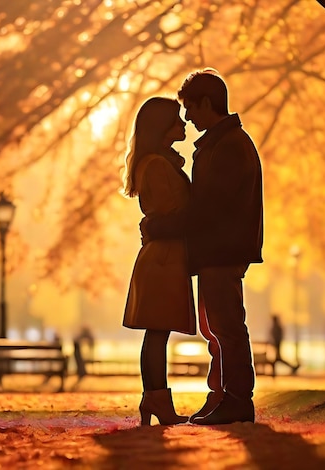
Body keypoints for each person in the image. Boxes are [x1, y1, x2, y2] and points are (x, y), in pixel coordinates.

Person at [142, 69, 263, 424]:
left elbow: (207, 209)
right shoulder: (219, 143)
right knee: (216, 329)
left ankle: (238, 398)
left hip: (223, 251)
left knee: (227, 327)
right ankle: (222, 394)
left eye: (191, 108)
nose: (189, 117)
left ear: (207, 104)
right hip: (216, 250)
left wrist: (158, 226)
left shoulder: (227, 146)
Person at [123, 96, 196, 426]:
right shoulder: (156, 165)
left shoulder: (160, 162)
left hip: (165, 257)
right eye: (177, 119)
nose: (183, 124)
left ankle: (153, 400)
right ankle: (156, 399)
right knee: (157, 332)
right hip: (163, 260)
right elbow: (174, 214)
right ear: (161, 127)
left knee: (157, 333)